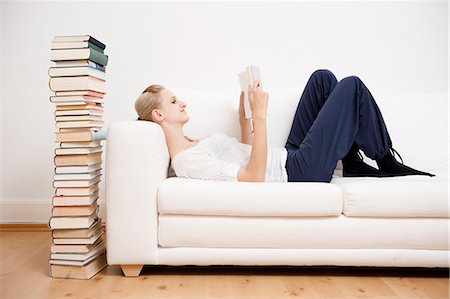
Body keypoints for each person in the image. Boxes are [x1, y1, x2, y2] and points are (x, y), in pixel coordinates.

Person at [134, 69, 435, 183]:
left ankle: (348, 159)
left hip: (287, 157)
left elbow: (249, 155)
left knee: (323, 80)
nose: (183, 103)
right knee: (351, 86)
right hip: (297, 172)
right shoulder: (187, 161)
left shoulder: (193, 144)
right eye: (173, 102)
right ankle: (385, 159)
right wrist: (262, 117)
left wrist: (246, 119)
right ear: (158, 116)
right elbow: (253, 177)